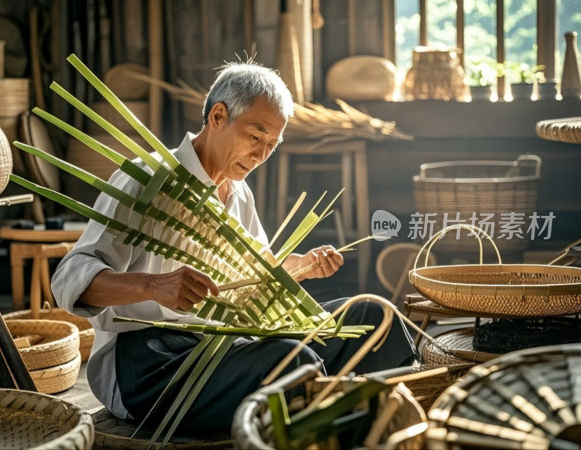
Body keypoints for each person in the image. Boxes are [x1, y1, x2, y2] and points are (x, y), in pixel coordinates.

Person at [52, 60, 417, 434]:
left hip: (226, 346)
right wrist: (153, 286)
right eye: (255, 137)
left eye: (271, 145)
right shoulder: (147, 180)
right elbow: (68, 279)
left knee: (375, 318)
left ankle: (401, 431)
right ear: (218, 116)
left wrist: (295, 268)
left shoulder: (238, 193)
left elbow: (250, 281)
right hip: (148, 363)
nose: (260, 155)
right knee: (292, 365)